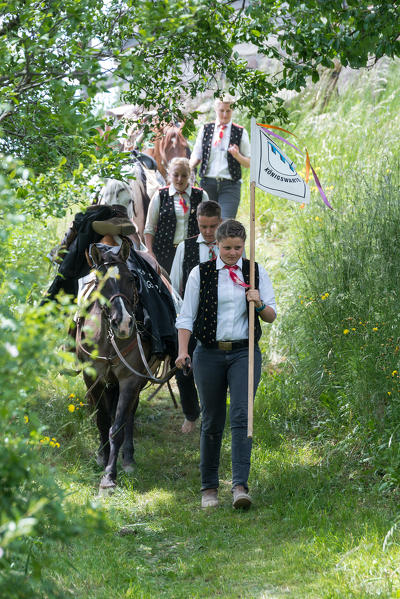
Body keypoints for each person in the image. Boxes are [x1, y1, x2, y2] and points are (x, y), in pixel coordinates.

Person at [175, 219, 276, 509]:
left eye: (238, 248)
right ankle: (209, 488)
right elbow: (185, 317)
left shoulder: (254, 272)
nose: (232, 253)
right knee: (212, 419)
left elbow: (271, 315)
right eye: (227, 247)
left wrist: (257, 303)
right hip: (208, 353)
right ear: (216, 245)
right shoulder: (201, 273)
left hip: (244, 352)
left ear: (244, 246)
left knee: (243, 417)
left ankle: (240, 486)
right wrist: (183, 350)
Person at [170, 200, 222, 434]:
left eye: (213, 226)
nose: (209, 232)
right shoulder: (186, 247)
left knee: (216, 366)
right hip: (191, 315)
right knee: (184, 364)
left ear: (220, 223)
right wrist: (183, 316)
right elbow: (174, 284)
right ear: (198, 223)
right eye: (203, 227)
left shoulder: (228, 247)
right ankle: (191, 413)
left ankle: (214, 411)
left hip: (220, 317)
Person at [144, 157, 209, 273]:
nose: (180, 179)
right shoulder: (160, 195)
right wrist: (150, 252)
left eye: (184, 175)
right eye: (176, 175)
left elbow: (208, 226)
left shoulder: (201, 195)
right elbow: (149, 228)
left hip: (192, 251)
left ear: (190, 175)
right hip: (164, 252)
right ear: (169, 174)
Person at [189, 95, 250, 219]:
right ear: (216, 110)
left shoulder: (240, 132)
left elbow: (249, 163)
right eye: (222, 110)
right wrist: (188, 169)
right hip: (207, 183)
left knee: (225, 222)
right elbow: (196, 155)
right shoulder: (205, 129)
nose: (225, 115)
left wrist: (237, 155)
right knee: (208, 224)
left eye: (228, 111)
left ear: (232, 110)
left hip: (230, 185)